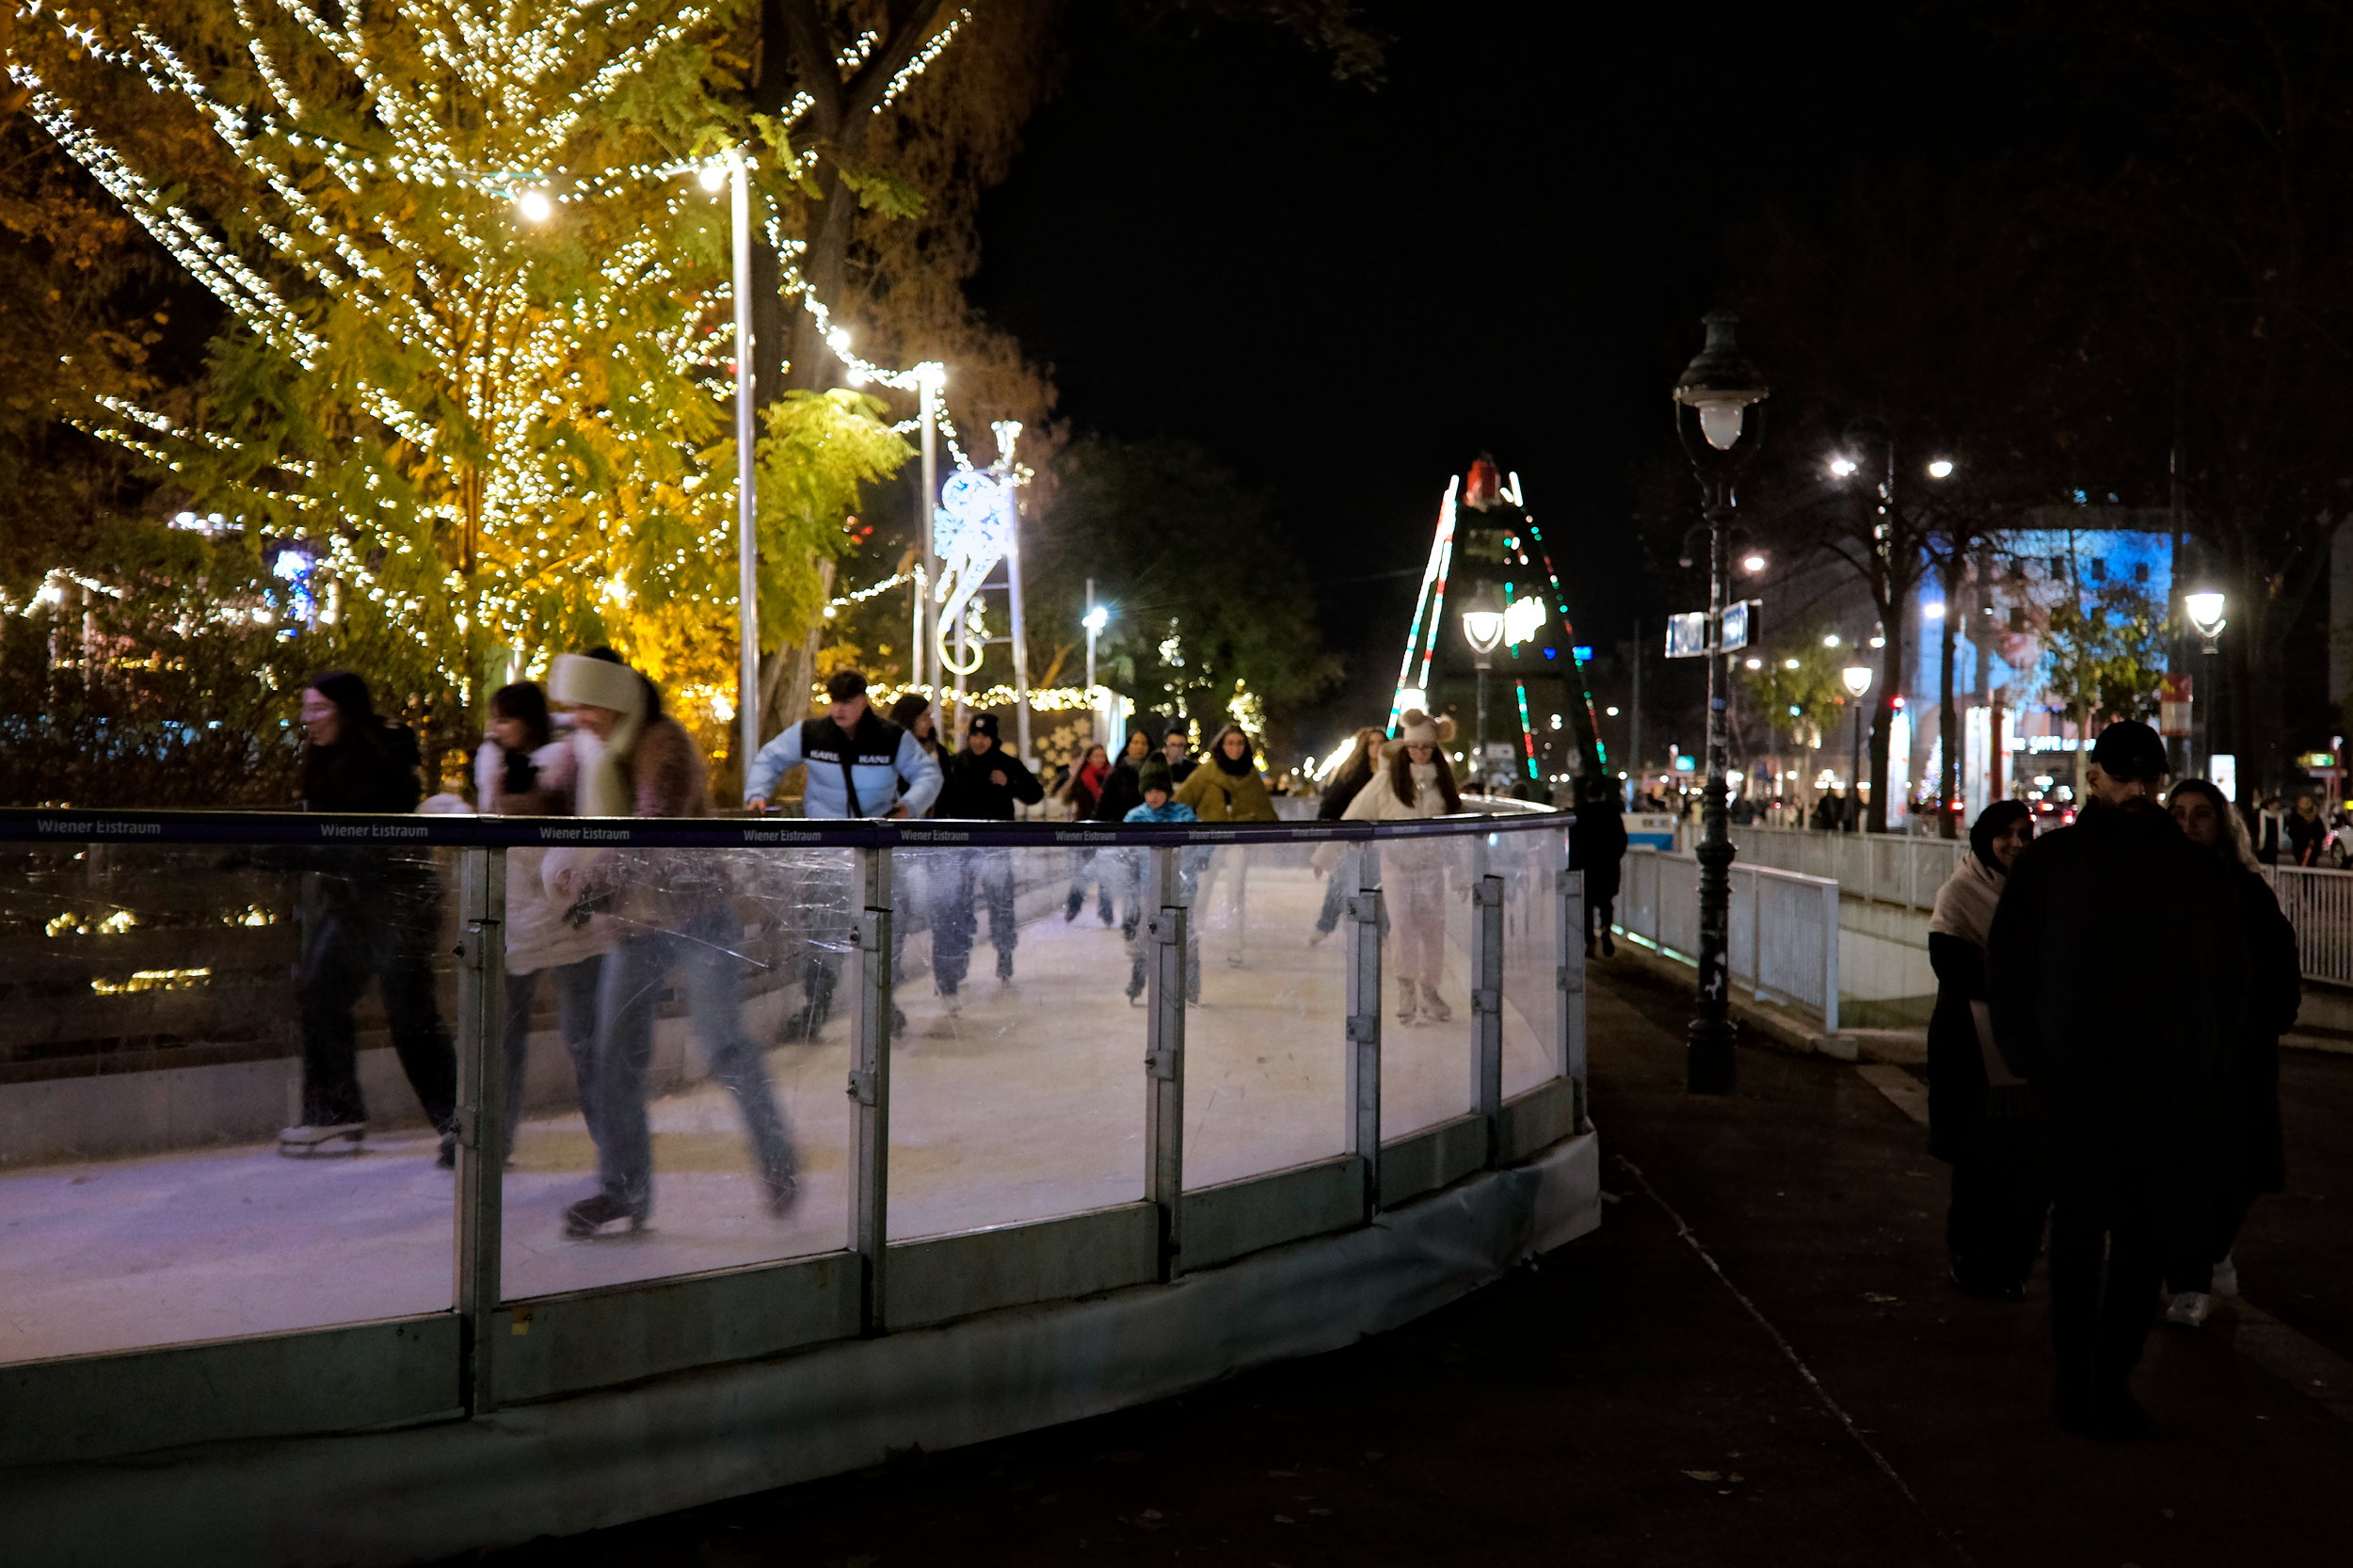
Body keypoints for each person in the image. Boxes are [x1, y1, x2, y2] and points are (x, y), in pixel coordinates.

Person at [1986, 720, 2247, 1438]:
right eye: (2123, 776)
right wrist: (2028, 1052)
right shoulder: (2070, 865)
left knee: (2136, 1237)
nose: (2137, 788)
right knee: (2087, 1235)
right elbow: (2008, 964)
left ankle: (2105, 1377)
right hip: (2085, 1081)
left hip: (2148, 1081)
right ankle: (2083, 1379)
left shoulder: (2184, 870)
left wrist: (2209, 1055)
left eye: (2147, 777)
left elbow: (2228, 975)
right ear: (2095, 778)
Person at [548, 650, 797, 1239]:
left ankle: (779, 1161)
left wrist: (590, 888)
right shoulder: (591, 753)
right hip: (636, 927)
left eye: (586, 705)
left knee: (723, 1042)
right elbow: (551, 804)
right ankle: (623, 1191)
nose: (578, 717)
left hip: (697, 914)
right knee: (614, 1057)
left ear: (614, 700)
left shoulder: (663, 744)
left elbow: (652, 825)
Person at [282, 671, 458, 1163]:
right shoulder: (325, 762)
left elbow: (360, 845)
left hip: (400, 904)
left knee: (412, 1015)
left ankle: (460, 1127)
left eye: (319, 710)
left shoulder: (383, 766)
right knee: (320, 992)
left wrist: (281, 852)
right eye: (306, 709)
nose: (308, 721)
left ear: (345, 711)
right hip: (356, 903)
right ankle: (335, 1114)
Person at [2162, 778, 2301, 1327]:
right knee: (2184, 1169)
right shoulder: (2154, 886)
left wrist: (2270, 1019)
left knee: (2241, 1167)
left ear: (2221, 824)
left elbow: (2279, 958)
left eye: (2200, 815)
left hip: (2240, 1051)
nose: (2188, 825)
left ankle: (2210, 1253)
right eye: (2177, 814)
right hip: (2176, 1054)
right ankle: (2189, 1279)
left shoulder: (2246, 892)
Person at [475, 680, 608, 1164]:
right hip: (519, 921)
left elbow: (565, 820)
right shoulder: (493, 762)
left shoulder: (567, 761)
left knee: (585, 1039)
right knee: (504, 1039)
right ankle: (494, 1139)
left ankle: (611, 1145)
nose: (496, 729)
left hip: (566, 917)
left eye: (505, 719)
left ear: (529, 721)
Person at [1927, 800, 2043, 1300]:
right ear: (1983, 838)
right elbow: (1953, 968)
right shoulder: (1959, 895)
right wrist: (2024, 987)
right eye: (2005, 834)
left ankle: (2013, 1264)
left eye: (2025, 833)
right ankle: (1972, 1259)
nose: (2016, 843)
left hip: (2031, 1050)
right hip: (1971, 1048)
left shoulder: (2039, 891)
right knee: (1979, 1162)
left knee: (2029, 1163)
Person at [1344, 710, 1465, 1024]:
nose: (1420, 753)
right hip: (1396, 866)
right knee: (1402, 928)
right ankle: (1406, 987)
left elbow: (1459, 834)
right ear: (1405, 747)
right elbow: (1354, 815)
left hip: (1431, 869)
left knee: (1433, 930)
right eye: (1414, 747)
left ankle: (1429, 988)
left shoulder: (1443, 786)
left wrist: (1463, 872)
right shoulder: (1387, 781)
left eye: (1427, 747)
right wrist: (1326, 855)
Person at [930, 712, 1045, 1007]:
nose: (979, 741)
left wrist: (1009, 784)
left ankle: (1004, 953)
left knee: (1001, 904)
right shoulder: (956, 763)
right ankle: (958, 963)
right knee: (960, 905)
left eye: (985, 736)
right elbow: (940, 799)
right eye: (974, 736)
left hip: (995, 847)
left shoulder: (1006, 763)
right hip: (960, 847)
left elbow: (1034, 794)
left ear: (993, 738)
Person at [744, 668, 942, 820]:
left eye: (847, 702)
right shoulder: (810, 733)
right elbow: (770, 759)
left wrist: (909, 806)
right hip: (824, 836)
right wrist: (756, 795)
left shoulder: (891, 737)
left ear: (863, 701)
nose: (839, 709)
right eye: (835, 701)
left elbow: (928, 775)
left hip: (876, 837)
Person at [1177, 723, 1280, 968]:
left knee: (1236, 893)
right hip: (1208, 841)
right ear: (1221, 745)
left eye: (1239, 743)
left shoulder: (1251, 774)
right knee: (1203, 890)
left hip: (1237, 842)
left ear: (1245, 746)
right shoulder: (1207, 771)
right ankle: (1193, 937)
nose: (1235, 748)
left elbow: (1265, 809)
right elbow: (1182, 800)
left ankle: (1235, 944)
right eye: (1230, 743)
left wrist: (1272, 834)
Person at [1122, 757, 1205, 1004]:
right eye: (1148, 790)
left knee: (1187, 938)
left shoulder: (1183, 814)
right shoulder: (1135, 817)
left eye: (1158, 790)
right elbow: (1123, 850)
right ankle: (1136, 983)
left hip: (1182, 889)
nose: (1153, 796)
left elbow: (1204, 840)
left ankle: (1191, 987)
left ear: (1167, 790)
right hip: (1150, 890)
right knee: (1144, 938)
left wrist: (1200, 858)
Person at [1309, 727, 1386, 945]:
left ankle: (1378, 931)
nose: (1377, 747)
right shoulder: (1351, 773)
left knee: (1377, 887)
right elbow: (1330, 807)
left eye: (1381, 742)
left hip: (1379, 843)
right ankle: (1325, 925)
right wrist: (1325, 841)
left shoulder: (1390, 774)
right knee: (1340, 882)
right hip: (1349, 839)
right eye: (1371, 743)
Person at [1568, 776, 1629, 957]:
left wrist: (1575, 863)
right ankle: (1606, 932)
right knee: (1606, 902)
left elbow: (1573, 842)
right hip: (1607, 866)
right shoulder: (1612, 814)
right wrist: (1614, 857)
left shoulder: (1580, 814)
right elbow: (1622, 840)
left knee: (1586, 906)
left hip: (1586, 868)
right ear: (1603, 794)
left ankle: (1590, 942)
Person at [1059, 742, 1118, 925]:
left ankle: (1106, 912)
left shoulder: (1113, 777)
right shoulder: (1083, 777)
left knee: (1106, 873)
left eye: (1102, 756)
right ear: (1089, 758)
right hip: (1084, 831)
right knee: (1083, 873)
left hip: (1106, 831)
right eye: (1096, 756)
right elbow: (1066, 798)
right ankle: (1074, 906)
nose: (1100, 759)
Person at [2285, 794, 2327, 867]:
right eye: (2303, 802)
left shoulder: (2315, 817)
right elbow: (2292, 831)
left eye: (2307, 802)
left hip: (2313, 848)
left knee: (2311, 865)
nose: (2306, 804)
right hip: (2299, 847)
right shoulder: (2295, 817)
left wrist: (2315, 838)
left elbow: (2322, 832)